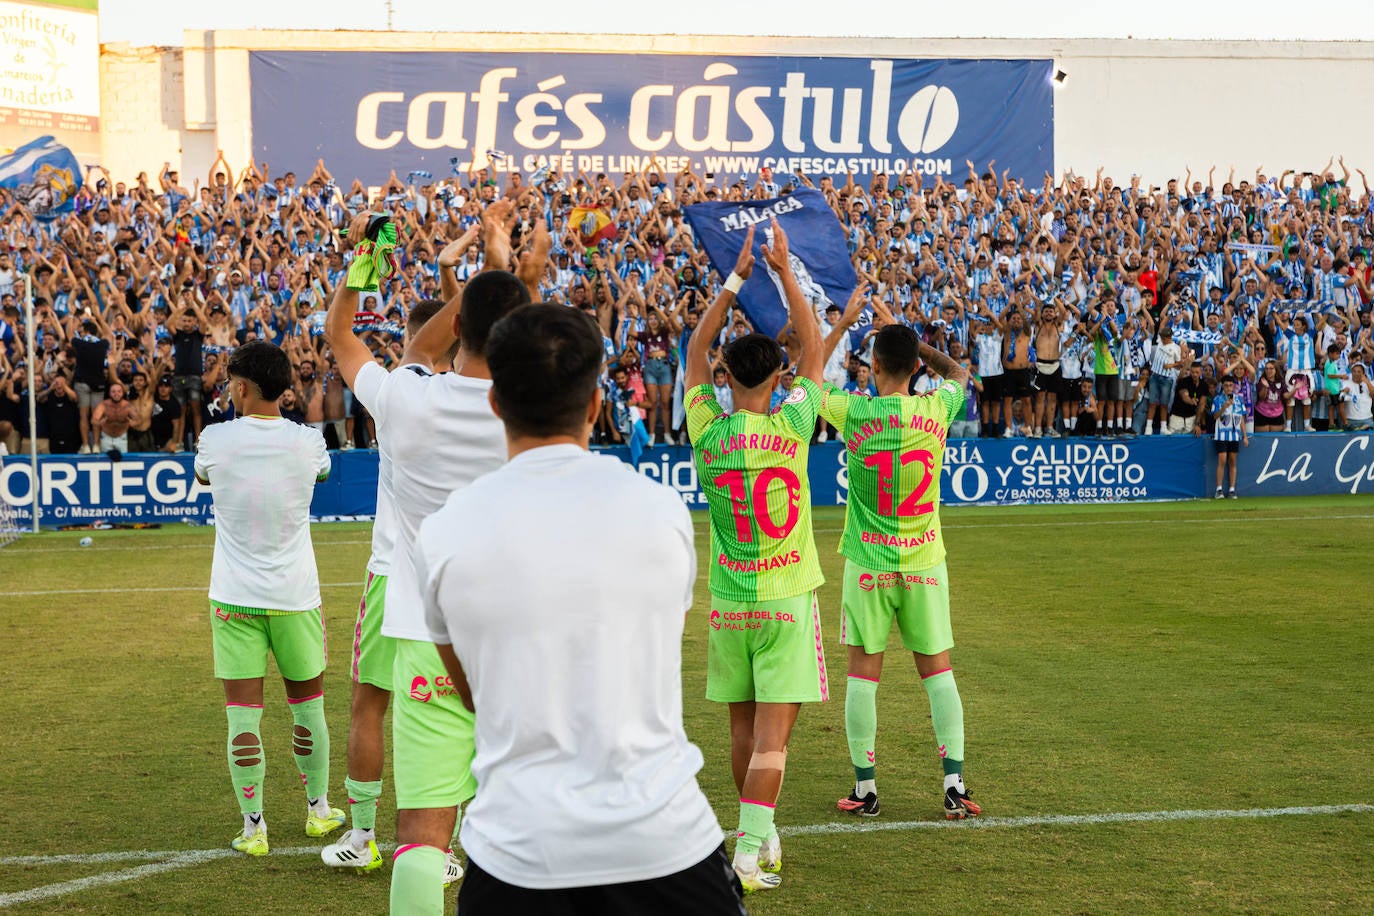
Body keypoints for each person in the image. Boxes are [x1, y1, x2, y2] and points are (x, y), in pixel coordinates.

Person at [417, 303, 744, 915]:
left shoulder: (443, 533)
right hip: (664, 841)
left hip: (517, 851)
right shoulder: (660, 510)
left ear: (495, 405)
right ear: (596, 406)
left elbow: (472, 693)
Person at [325, 205, 534, 914]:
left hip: (428, 635)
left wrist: (364, 264)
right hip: (525, 635)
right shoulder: (537, 403)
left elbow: (344, 339)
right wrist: (505, 275)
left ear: (459, 328)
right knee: (534, 831)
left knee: (420, 834)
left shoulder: (408, 401)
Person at [683, 222, 828, 894]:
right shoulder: (792, 424)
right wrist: (784, 272)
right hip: (787, 600)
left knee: (744, 731)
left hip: (731, 604)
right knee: (774, 740)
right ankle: (748, 853)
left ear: (724, 377)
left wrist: (737, 277)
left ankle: (757, 838)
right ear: (778, 375)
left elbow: (693, 350)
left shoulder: (707, 430)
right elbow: (819, 350)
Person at [817, 293, 981, 820]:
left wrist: (845, 323)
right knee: (938, 673)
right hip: (924, 561)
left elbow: (810, 378)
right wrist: (916, 344)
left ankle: (865, 790)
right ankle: (953, 784)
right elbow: (959, 371)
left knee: (863, 676)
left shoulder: (854, 411)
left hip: (868, 564)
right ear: (914, 367)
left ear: (872, 367)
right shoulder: (935, 407)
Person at [318, 297, 452, 875]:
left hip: (391, 573)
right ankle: (441, 850)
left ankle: (364, 833)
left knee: (369, 706)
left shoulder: (395, 393)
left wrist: (362, 266)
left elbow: (338, 333)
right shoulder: (487, 401)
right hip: (456, 585)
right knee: (453, 718)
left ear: (410, 336)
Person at [192, 341, 341, 857]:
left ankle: (254, 825)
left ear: (240, 387)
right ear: (285, 388)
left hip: (233, 596)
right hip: (296, 595)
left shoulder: (214, 439)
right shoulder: (309, 443)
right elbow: (322, 474)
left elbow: (202, 474)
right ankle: (318, 811)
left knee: (242, 716)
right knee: (308, 708)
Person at [1211, 375, 1248, 498]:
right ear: (1222, 386)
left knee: (1233, 461)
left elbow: (1241, 417)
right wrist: (1224, 407)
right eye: (1226, 385)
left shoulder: (1239, 399)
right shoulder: (1217, 399)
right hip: (1221, 434)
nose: (1228, 388)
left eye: (1230, 385)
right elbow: (1215, 416)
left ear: (1234, 386)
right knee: (1222, 460)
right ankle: (1219, 489)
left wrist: (1245, 436)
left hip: (1234, 435)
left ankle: (1232, 489)